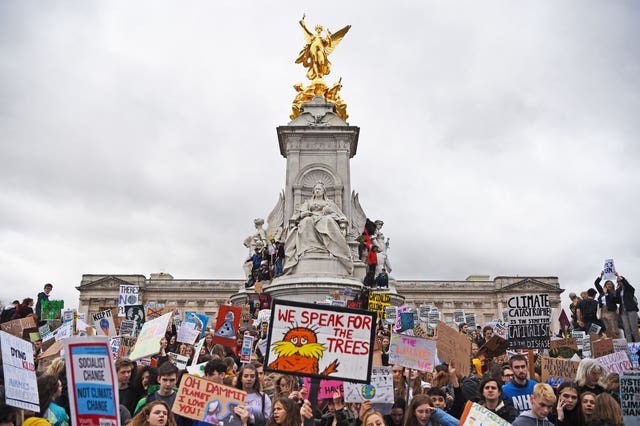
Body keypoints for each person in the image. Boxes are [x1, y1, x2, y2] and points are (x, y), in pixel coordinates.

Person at [283, 182, 353, 275]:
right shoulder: (308, 202)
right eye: (315, 189)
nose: (317, 190)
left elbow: (339, 215)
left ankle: (331, 247)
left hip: (324, 218)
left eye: (319, 189)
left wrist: (329, 212)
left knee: (328, 220)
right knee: (306, 221)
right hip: (311, 218)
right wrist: (303, 214)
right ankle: (309, 247)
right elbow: (299, 214)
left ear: (323, 191)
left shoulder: (329, 203)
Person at [594, 272, 621, 338]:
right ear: (605, 285)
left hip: (610, 311)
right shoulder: (602, 292)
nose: (609, 285)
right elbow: (596, 283)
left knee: (613, 327)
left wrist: (606, 294)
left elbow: (614, 300)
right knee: (606, 328)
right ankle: (610, 343)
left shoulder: (614, 293)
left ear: (612, 286)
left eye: (610, 284)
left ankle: (617, 342)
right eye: (607, 284)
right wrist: (601, 276)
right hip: (603, 310)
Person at [615, 272, 640, 342]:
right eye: (618, 281)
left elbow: (626, 283)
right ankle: (629, 345)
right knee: (627, 329)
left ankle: (638, 345)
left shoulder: (629, 288)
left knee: (634, 329)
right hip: (623, 311)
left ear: (623, 280)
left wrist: (617, 275)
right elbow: (617, 301)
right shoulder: (618, 290)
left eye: (620, 280)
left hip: (631, 310)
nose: (619, 282)